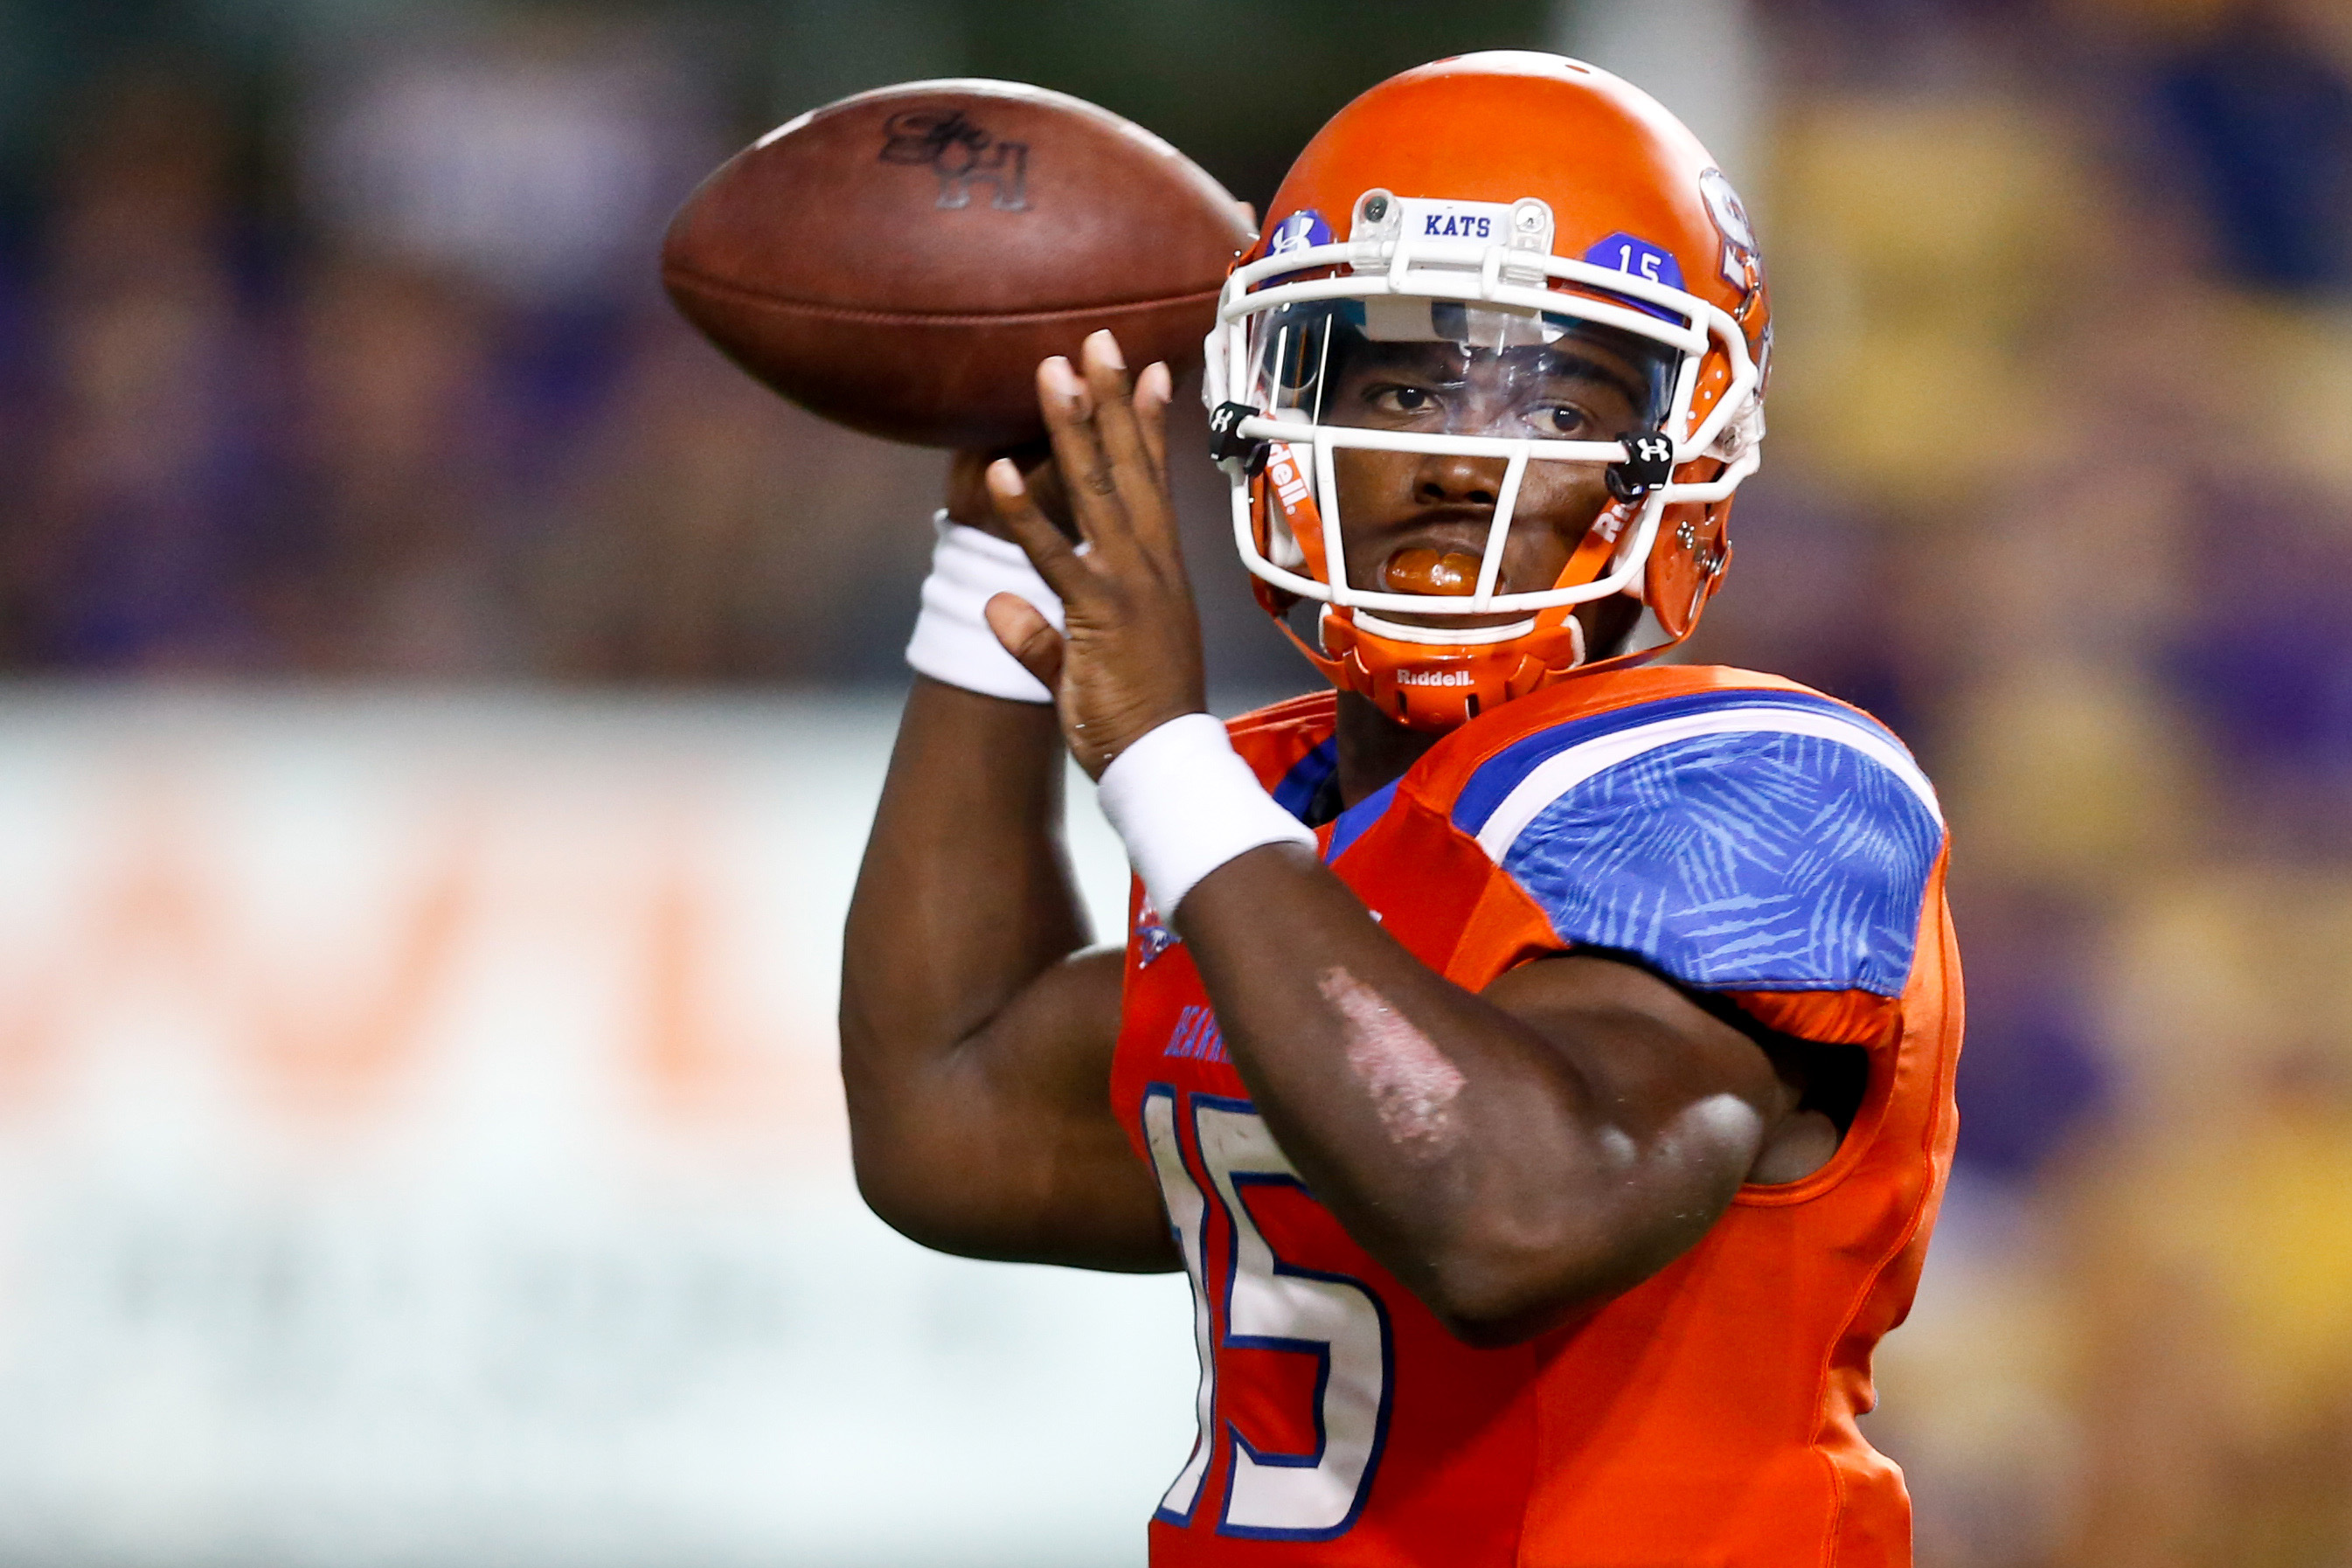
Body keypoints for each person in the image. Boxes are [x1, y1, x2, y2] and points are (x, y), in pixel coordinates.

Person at [841, 52, 1960, 1566]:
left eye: (1556, 393)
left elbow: (1516, 1219)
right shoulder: (1267, 807)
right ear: (1276, 406)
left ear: (1686, 441)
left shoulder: (1775, 783)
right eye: (1404, 384)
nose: (1452, 454)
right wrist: (1003, 545)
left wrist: (1166, 760)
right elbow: (947, 1116)